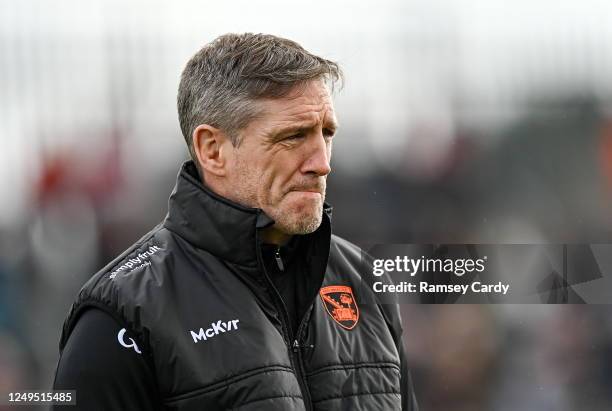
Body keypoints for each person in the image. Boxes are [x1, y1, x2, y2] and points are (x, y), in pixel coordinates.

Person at [53, 33, 419, 410]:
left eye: (326, 134)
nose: (322, 163)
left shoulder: (364, 281)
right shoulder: (122, 315)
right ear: (213, 151)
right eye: (293, 137)